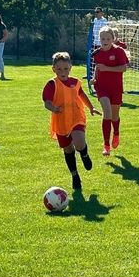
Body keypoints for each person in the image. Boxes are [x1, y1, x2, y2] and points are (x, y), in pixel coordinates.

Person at [43, 52, 100, 189]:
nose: (63, 72)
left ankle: (84, 154)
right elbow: (46, 101)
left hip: (77, 118)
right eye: (59, 69)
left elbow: (82, 94)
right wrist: (53, 108)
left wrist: (91, 108)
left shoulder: (75, 82)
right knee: (68, 150)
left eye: (65, 69)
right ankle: (75, 175)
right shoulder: (52, 84)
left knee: (79, 141)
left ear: (70, 67)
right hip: (61, 122)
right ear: (53, 69)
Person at [92, 26, 129, 157]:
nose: (105, 40)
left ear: (113, 39)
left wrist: (107, 68)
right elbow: (98, 68)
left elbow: (124, 68)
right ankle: (106, 145)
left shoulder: (119, 51)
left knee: (114, 116)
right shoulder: (96, 53)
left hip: (116, 88)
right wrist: (94, 79)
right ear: (99, 39)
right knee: (106, 113)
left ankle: (116, 133)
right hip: (102, 87)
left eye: (108, 38)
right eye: (102, 38)